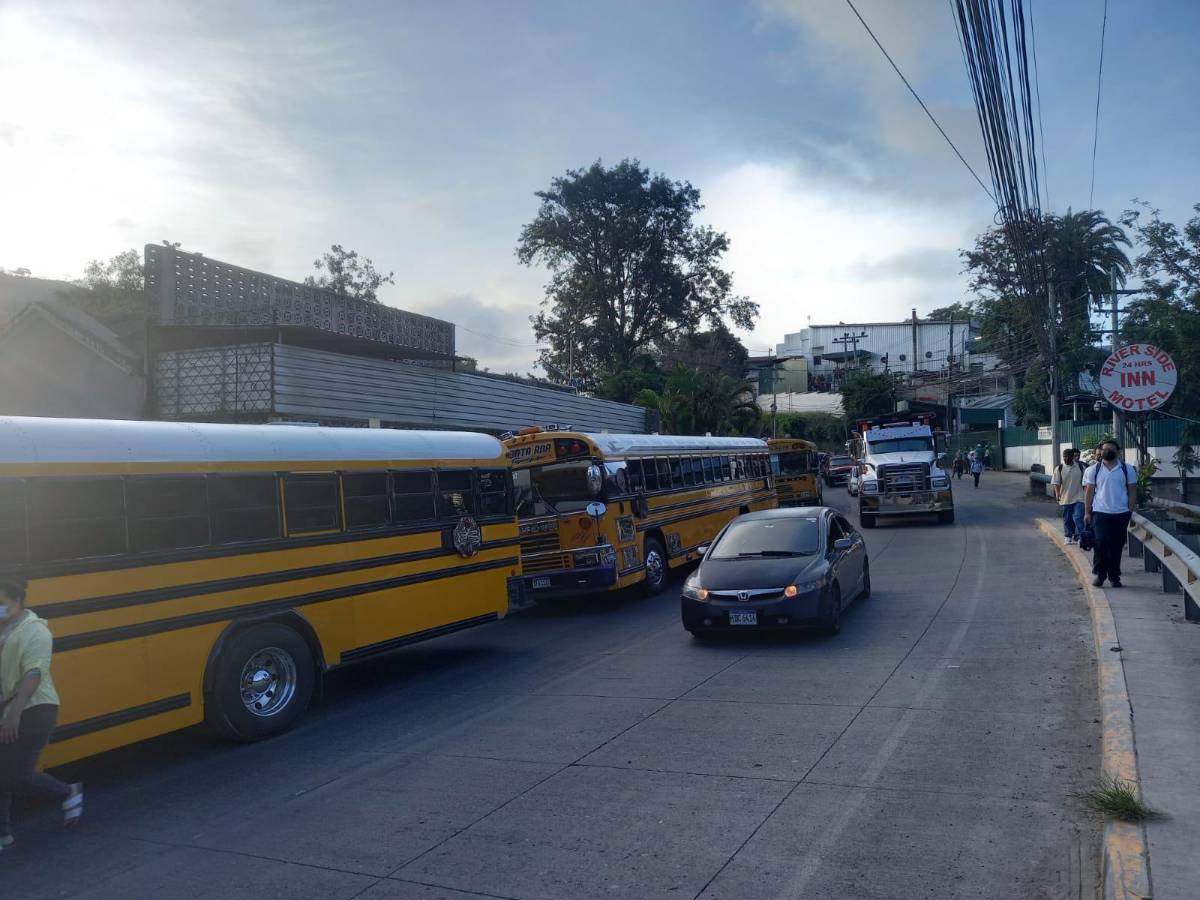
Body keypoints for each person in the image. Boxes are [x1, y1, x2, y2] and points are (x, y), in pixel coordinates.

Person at [0, 577, 82, 851]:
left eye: (1, 604)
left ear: (17, 601)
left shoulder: (36, 631)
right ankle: (3, 834)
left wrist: (14, 712)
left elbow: (34, 672)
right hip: (7, 710)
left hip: (35, 709)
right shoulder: (2, 630)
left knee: (18, 775)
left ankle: (66, 791)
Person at [1083, 439, 1138, 588]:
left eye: (1111, 449)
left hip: (1121, 513)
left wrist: (1130, 510)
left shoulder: (1127, 469)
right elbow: (1089, 492)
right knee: (1100, 543)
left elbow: (1132, 490)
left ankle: (1114, 576)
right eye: (1104, 449)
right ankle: (1100, 575)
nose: (1107, 451)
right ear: (1100, 452)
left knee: (1116, 545)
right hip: (1100, 513)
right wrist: (1087, 512)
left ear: (1117, 452)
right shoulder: (1093, 470)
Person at [1052, 448, 1087, 543]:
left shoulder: (1080, 467)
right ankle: (1068, 536)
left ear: (1072, 457)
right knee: (1067, 519)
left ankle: (1081, 536)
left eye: (1068, 456)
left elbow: (1086, 483)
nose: (1066, 458)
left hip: (1079, 496)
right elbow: (1056, 482)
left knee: (1078, 517)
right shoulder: (1059, 468)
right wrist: (1057, 494)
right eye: (1064, 457)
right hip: (1065, 497)